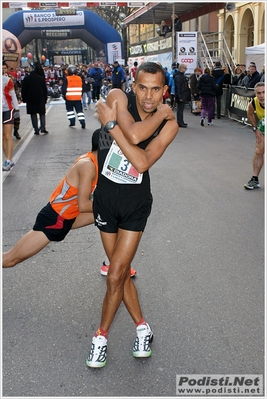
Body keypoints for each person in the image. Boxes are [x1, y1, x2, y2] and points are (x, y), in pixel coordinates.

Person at [86, 62, 178, 368]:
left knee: (114, 274)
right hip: (105, 201)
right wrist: (119, 125)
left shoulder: (171, 125)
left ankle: (100, 337)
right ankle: (142, 327)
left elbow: (141, 161)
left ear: (164, 90)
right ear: (133, 85)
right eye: (143, 87)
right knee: (120, 273)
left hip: (135, 205)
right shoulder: (117, 96)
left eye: (156, 89)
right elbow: (136, 136)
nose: (149, 96)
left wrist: (112, 127)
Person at [3, 129, 99, 268]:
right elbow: (84, 205)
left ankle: (113, 265)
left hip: (69, 217)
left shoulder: (96, 161)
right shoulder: (88, 165)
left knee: (112, 216)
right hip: (54, 218)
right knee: (10, 259)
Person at [244, 82, 265, 190]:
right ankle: (255, 179)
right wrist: (255, 129)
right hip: (263, 127)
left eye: (264, 92)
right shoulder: (254, 102)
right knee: (258, 151)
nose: (262, 96)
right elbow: (250, 114)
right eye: (259, 93)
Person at [21, 62, 48, 135]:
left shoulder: (27, 79)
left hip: (30, 99)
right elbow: (44, 89)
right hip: (40, 98)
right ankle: (43, 128)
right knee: (42, 113)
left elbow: (24, 90)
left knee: (33, 114)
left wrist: (24, 99)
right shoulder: (41, 78)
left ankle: (36, 129)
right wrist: (45, 98)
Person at [2, 61, 19, 171]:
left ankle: (9, 159)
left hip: (7, 110)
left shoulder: (7, 80)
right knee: (2, 136)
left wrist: (16, 109)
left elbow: (13, 95)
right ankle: (7, 159)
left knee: (8, 136)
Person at [3, 62, 22, 140]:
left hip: (11, 102)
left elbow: (15, 90)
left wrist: (18, 98)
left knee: (16, 118)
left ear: (7, 69)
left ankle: (16, 131)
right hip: (4, 103)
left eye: (4, 68)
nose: (3, 70)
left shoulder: (11, 78)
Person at [174, 63, 191, 127]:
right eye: (185, 68)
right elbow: (178, 87)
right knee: (180, 109)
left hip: (182, 94)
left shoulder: (181, 76)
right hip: (181, 95)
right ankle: (180, 122)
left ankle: (181, 121)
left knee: (181, 109)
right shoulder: (178, 77)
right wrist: (179, 96)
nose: (186, 70)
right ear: (181, 68)